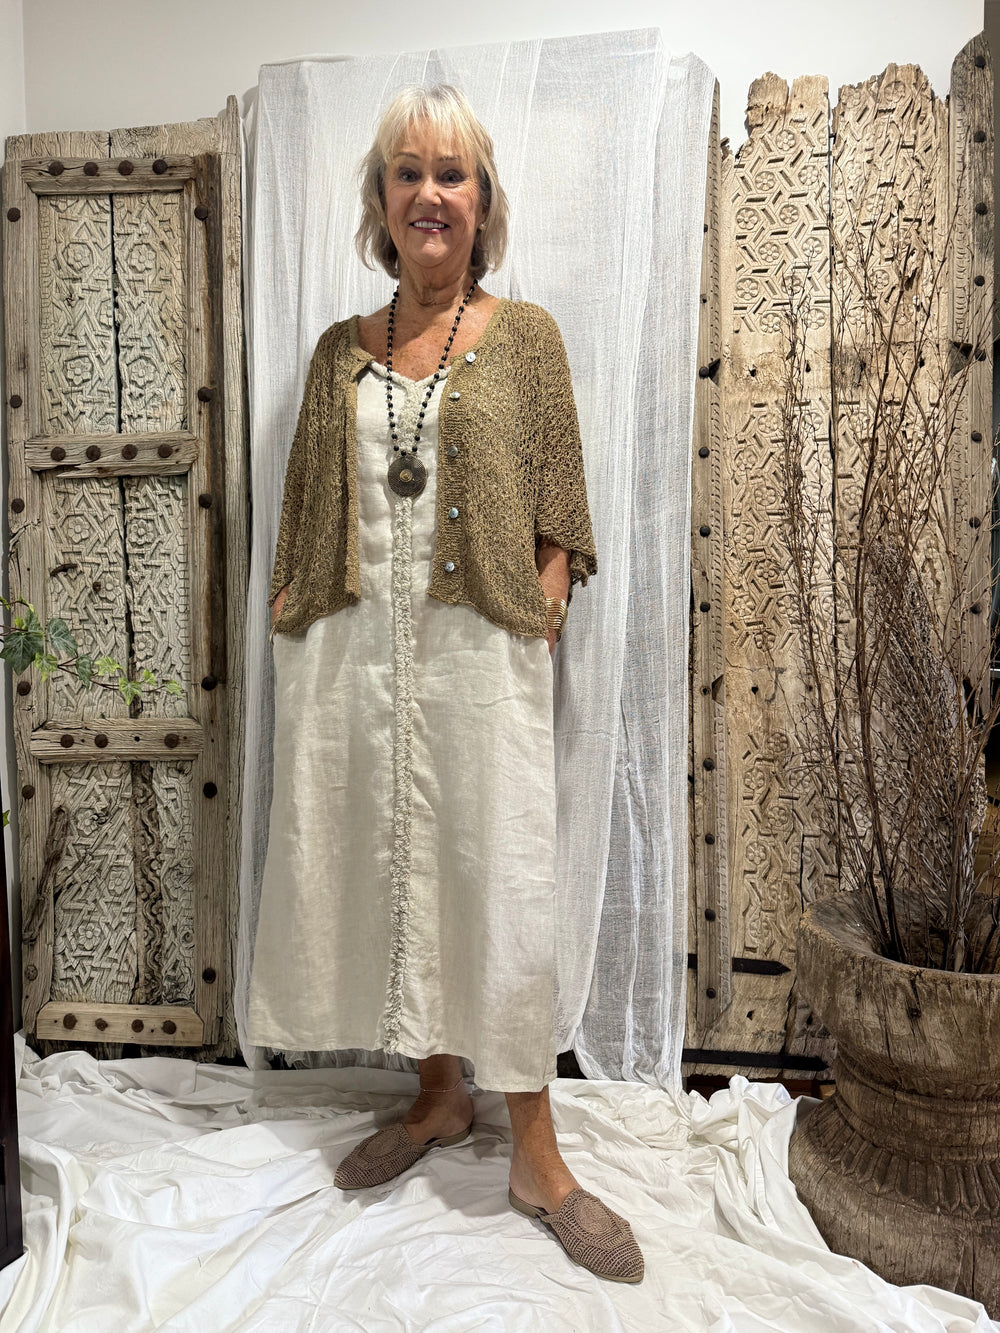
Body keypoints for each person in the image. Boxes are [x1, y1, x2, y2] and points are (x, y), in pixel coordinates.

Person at [247, 83, 644, 1284]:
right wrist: (291, 611)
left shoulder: (525, 338)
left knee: (496, 877)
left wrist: (550, 597)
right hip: (356, 656)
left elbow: (562, 500)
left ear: (482, 201)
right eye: (407, 173)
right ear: (380, 202)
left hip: (481, 652)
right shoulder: (339, 352)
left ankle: (537, 1153)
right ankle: (435, 1096)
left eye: (451, 173)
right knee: (387, 863)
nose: (430, 193)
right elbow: (307, 505)